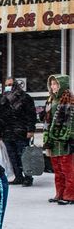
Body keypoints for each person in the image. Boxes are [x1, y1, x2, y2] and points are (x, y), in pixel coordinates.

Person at [0, 78, 37, 186]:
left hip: (21, 131)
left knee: (24, 155)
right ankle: (18, 176)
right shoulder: (3, 99)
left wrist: (30, 129)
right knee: (12, 156)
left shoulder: (25, 98)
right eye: (7, 85)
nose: (8, 86)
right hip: (7, 132)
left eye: (10, 84)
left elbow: (31, 115)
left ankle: (28, 177)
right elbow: (0, 117)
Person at [42, 74, 73, 204]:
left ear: (62, 85)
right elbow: (47, 120)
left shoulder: (69, 101)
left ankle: (70, 195)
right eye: (52, 84)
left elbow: (71, 122)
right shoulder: (50, 100)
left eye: (56, 84)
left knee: (68, 169)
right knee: (57, 169)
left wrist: (69, 137)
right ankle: (59, 193)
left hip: (65, 141)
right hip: (53, 140)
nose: (54, 87)